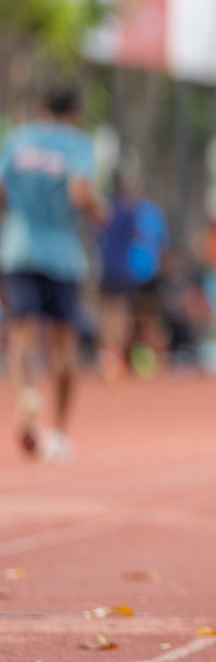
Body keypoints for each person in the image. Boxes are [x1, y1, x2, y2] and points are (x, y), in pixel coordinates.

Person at [0, 82, 101, 463]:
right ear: (74, 112)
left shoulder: (19, 140)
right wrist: (98, 210)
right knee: (63, 343)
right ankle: (58, 432)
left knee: (21, 333)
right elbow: (79, 193)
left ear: (41, 106)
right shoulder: (77, 144)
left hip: (19, 249)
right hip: (62, 255)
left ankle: (26, 391)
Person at [97, 171, 169, 381]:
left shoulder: (108, 209)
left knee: (118, 315)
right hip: (127, 272)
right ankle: (117, 358)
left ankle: (113, 358)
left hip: (120, 271)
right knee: (130, 316)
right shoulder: (136, 212)